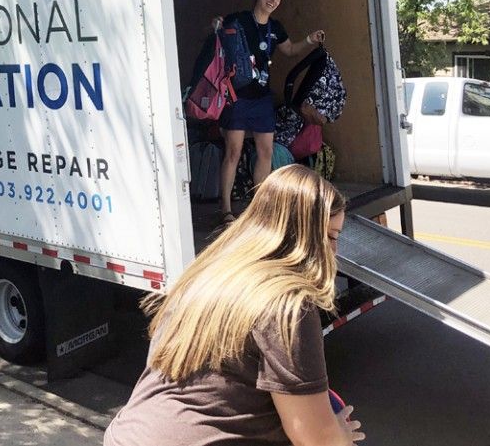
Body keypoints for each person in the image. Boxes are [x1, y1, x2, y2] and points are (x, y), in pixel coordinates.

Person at [103, 164, 364, 446]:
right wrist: (340, 434)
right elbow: (316, 438)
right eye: (330, 237)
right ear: (302, 236)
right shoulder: (287, 303)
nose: (334, 250)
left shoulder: (206, 274)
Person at [216, 0, 325, 222]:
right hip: (237, 97)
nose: (273, 0)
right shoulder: (239, 20)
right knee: (233, 152)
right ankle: (225, 209)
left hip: (262, 98)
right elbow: (217, 39)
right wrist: (214, 26)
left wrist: (310, 39)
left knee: (265, 152)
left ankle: (259, 208)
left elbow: (290, 50)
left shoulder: (276, 28)